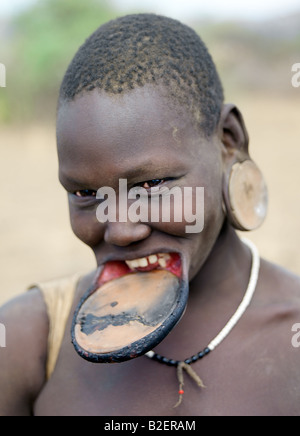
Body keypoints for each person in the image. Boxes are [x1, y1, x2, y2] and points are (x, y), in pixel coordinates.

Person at [0, 13, 299, 417]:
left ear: (229, 141)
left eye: (151, 186)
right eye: (86, 193)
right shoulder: (28, 343)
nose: (121, 229)